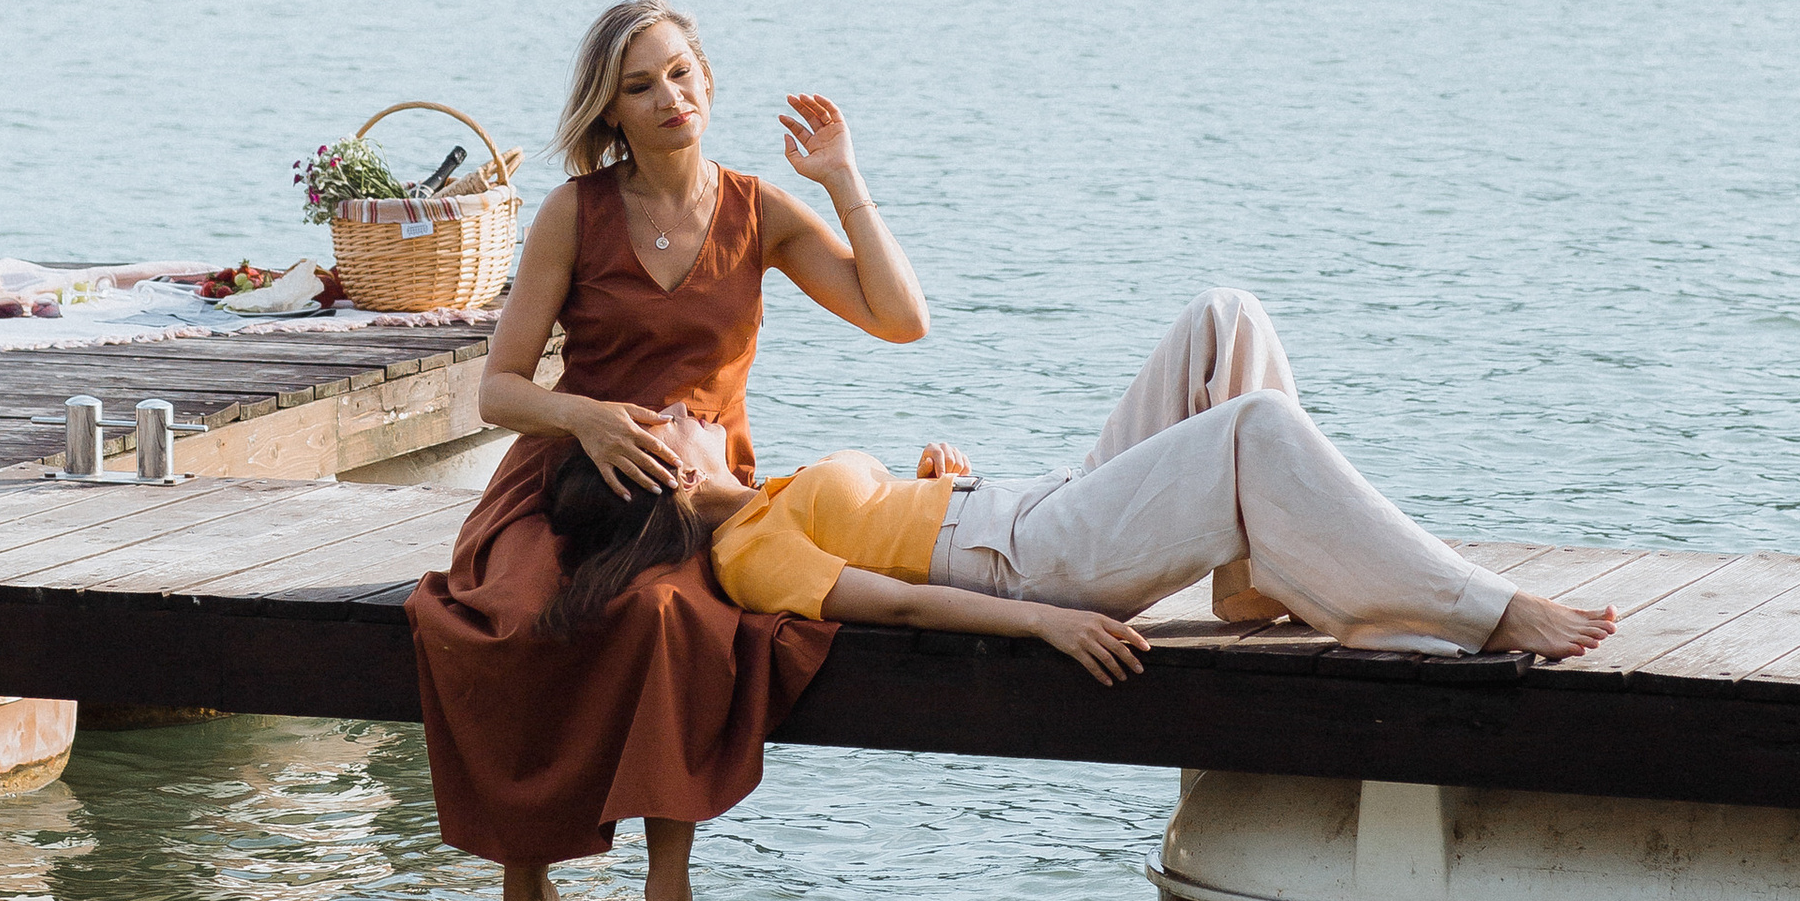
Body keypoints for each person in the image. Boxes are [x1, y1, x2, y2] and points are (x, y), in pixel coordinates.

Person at [408, 0, 929, 901]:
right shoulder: (574, 212)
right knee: (511, 618)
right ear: (610, 110)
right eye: (640, 86)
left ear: (708, 82)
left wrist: (843, 179)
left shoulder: (758, 209)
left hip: (698, 492)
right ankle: (525, 887)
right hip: (564, 477)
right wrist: (591, 419)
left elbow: (899, 319)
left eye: (681, 74)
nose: (668, 98)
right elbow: (499, 389)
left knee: (669, 621)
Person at [542, 288, 1618, 668]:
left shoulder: (767, 500)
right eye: (664, 425)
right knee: (1251, 427)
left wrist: (931, 489)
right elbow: (902, 603)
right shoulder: (743, 549)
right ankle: (1485, 612)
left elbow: (891, 540)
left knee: (1223, 319)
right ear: (660, 480)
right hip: (1038, 564)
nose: (685, 412)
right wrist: (1043, 627)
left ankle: (1259, 582)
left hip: (1027, 509)